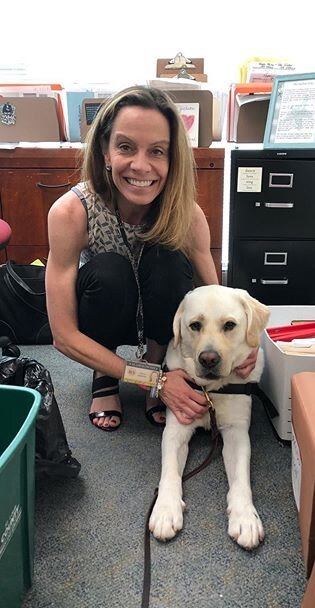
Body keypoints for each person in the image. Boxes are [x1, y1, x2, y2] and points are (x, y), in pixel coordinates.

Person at [46, 85, 255, 431]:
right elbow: (64, 335)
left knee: (168, 260)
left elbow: (220, 300)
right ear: (105, 150)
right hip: (104, 314)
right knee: (109, 269)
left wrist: (247, 345)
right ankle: (107, 375)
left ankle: (158, 363)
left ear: (172, 159)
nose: (141, 166)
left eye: (157, 151)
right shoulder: (71, 212)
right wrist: (154, 381)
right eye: (126, 147)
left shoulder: (186, 215)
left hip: (160, 321)